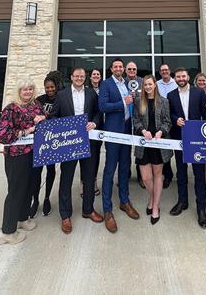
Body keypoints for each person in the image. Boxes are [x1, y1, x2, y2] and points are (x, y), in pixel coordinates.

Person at [51, 67, 103, 234]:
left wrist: (94, 123)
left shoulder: (91, 94)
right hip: (69, 142)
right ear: (71, 77)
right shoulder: (62, 95)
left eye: (82, 76)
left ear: (85, 78)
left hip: (88, 141)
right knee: (66, 178)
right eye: (77, 76)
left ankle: (88, 209)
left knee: (89, 177)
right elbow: (53, 116)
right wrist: (64, 127)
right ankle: (65, 215)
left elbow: (97, 113)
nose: (79, 78)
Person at [0, 78, 46, 245]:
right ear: (19, 91)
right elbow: (2, 135)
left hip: (33, 153)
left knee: (29, 187)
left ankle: (22, 218)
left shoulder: (36, 106)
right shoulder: (11, 109)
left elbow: (44, 123)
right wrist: (27, 131)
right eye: (24, 90)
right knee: (16, 191)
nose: (28, 92)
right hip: (16, 156)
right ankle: (7, 232)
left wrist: (42, 119)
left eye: (30, 89)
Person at [99, 58, 140, 233]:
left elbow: (133, 104)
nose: (118, 68)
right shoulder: (106, 84)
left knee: (125, 167)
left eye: (120, 66)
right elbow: (103, 106)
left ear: (123, 69)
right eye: (115, 66)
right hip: (113, 132)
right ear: (111, 69)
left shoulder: (128, 83)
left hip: (127, 130)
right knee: (110, 170)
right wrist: (123, 102)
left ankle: (124, 201)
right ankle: (107, 210)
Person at [167, 67, 206, 228]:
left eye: (183, 76)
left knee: (199, 175)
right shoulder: (171, 95)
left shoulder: (199, 93)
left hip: (197, 139)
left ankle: (201, 209)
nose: (181, 78)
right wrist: (175, 119)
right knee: (181, 173)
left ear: (187, 77)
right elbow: (169, 114)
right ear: (175, 78)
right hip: (179, 138)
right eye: (178, 76)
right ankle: (182, 201)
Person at [133, 75, 172, 225]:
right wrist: (143, 130)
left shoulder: (164, 101)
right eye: (145, 85)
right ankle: (152, 197)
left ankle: (155, 206)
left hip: (158, 144)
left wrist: (161, 131)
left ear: (155, 85)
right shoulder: (138, 101)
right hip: (143, 143)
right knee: (146, 178)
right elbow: (135, 120)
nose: (148, 87)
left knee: (157, 175)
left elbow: (167, 122)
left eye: (150, 84)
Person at [30, 71, 62, 218]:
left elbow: (62, 117)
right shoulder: (39, 100)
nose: (49, 89)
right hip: (39, 141)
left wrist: (47, 117)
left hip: (53, 141)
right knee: (36, 172)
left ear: (56, 86)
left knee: (50, 170)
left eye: (51, 87)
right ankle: (35, 200)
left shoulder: (61, 98)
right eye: (47, 87)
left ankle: (47, 197)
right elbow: (31, 117)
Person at [157, 64, 177, 188]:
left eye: (166, 70)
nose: (164, 72)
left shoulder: (176, 83)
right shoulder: (157, 84)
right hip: (162, 120)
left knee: (177, 148)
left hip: (175, 119)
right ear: (160, 72)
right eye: (162, 70)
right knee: (164, 149)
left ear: (169, 71)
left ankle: (181, 172)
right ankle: (167, 174)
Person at [124, 61, 144, 188]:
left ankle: (141, 176)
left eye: (134, 69)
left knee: (140, 148)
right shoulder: (121, 82)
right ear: (126, 70)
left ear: (137, 71)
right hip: (125, 119)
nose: (132, 71)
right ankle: (125, 174)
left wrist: (137, 96)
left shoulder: (142, 81)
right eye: (129, 69)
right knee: (125, 149)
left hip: (139, 119)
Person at [86, 68, 103, 196]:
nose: (96, 76)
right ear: (90, 77)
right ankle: (83, 183)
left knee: (96, 155)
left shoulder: (103, 89)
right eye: (94, 74)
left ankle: (94, 181)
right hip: (86, 127)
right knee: (85, 156)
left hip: (99, 127)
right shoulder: (86, 90)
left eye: (98, 74)